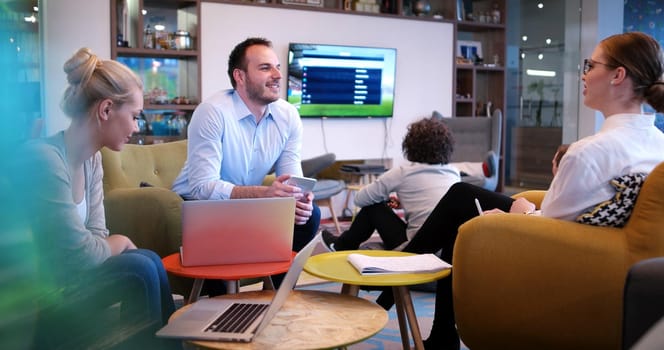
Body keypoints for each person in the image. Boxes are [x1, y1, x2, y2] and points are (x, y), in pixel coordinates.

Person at [380, 32, 664, 350]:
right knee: (460, 197)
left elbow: (549, 230)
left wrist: (517, 216)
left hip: (559, 258)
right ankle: (430, 323)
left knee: (461, 202)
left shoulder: (591, 152)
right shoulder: (658, 144)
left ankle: (387, 290)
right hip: (614, 256)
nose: (584, 74)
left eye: (591, 64)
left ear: (618, 75)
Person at [13, 48, 179, 349]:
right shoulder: (45, 159)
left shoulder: (92, 162)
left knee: (149, 261)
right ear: (105, 110)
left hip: (73, 280)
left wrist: (115, 242)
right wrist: (121, 241)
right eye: (134, 116)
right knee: (140, 268)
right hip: (40, 298)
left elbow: (96, 238)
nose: (136, 127)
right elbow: (82, 254)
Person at [171, 37, 320, 288]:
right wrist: (266, 194)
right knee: (219, 230)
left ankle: (274, 299)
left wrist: (300, 198)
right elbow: (202, 188)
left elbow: (292, 178)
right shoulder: (213, 112)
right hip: (199, 206)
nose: (277, 75)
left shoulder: (288, 115)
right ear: (239, 76)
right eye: (265, 68)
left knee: (308, 216)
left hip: (248, 206)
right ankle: (218, 308)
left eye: (277, 67)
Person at [321, 116, 460, 251]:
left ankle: (341, 245)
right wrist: (404, 201)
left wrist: (383, 198)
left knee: (373, 206)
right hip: (445, 249)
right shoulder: (454, 173)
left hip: (415, 248)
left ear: (411, 146)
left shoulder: (403, 173)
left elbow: (360, 199)